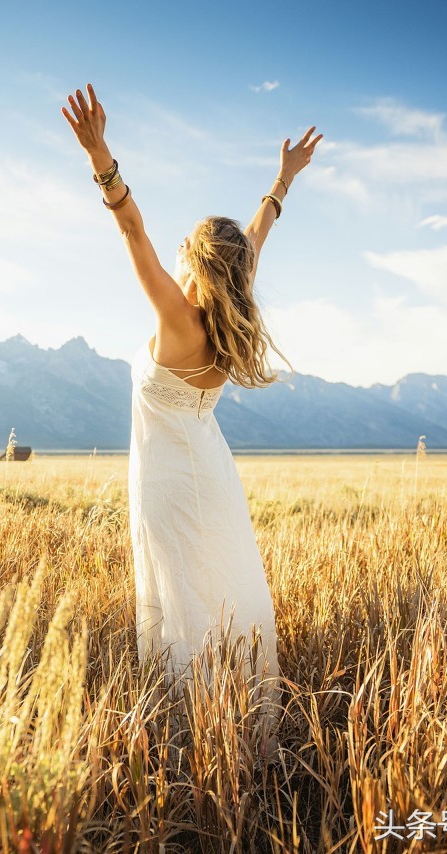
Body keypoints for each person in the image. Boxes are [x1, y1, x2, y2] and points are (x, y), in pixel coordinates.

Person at [62, 83, 321, 756]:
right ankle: (235, 723)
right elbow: (254, 239)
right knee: (220, 589)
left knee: (180, 598)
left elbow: (131, 228)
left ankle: (189, 736)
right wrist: (282, 182)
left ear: (195, 264)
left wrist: (101, 157)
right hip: (211, 470)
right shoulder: (229, 321)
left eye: (184, 247)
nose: (172, 252)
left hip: (170, 482)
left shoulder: (178, 319)